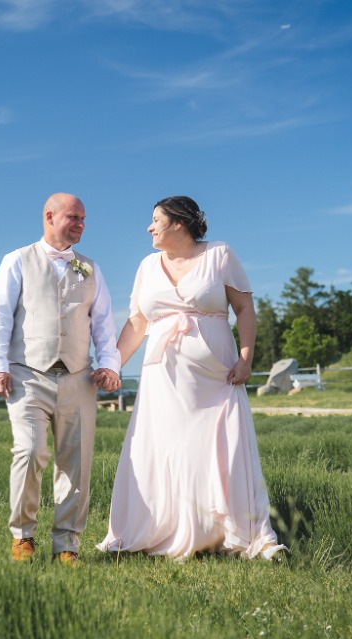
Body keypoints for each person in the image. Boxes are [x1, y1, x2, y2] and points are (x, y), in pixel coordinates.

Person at [97, 196, 288, 560]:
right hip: (163, 379)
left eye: (156, 220)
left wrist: (246, 358)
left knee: (220, 448)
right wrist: (112, 364)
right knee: (166, 448)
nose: (149, 228)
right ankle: (162, 528)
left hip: (215, 375)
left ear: (179, 223)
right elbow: (138, 324)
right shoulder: (147, 267)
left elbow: (244, 307)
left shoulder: (219, 254)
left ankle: (240, 534)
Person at [0, 192, 121, 567]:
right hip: (27, 375)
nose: (80, 224)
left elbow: (104, 323)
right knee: (30, 452)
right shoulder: (16, 260)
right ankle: (22, 537)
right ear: (49, 216)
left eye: (83, 219)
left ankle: (67, 545)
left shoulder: (90, 268)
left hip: (79, 376)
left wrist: (109, 364)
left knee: (77, 463)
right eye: (73, 217)